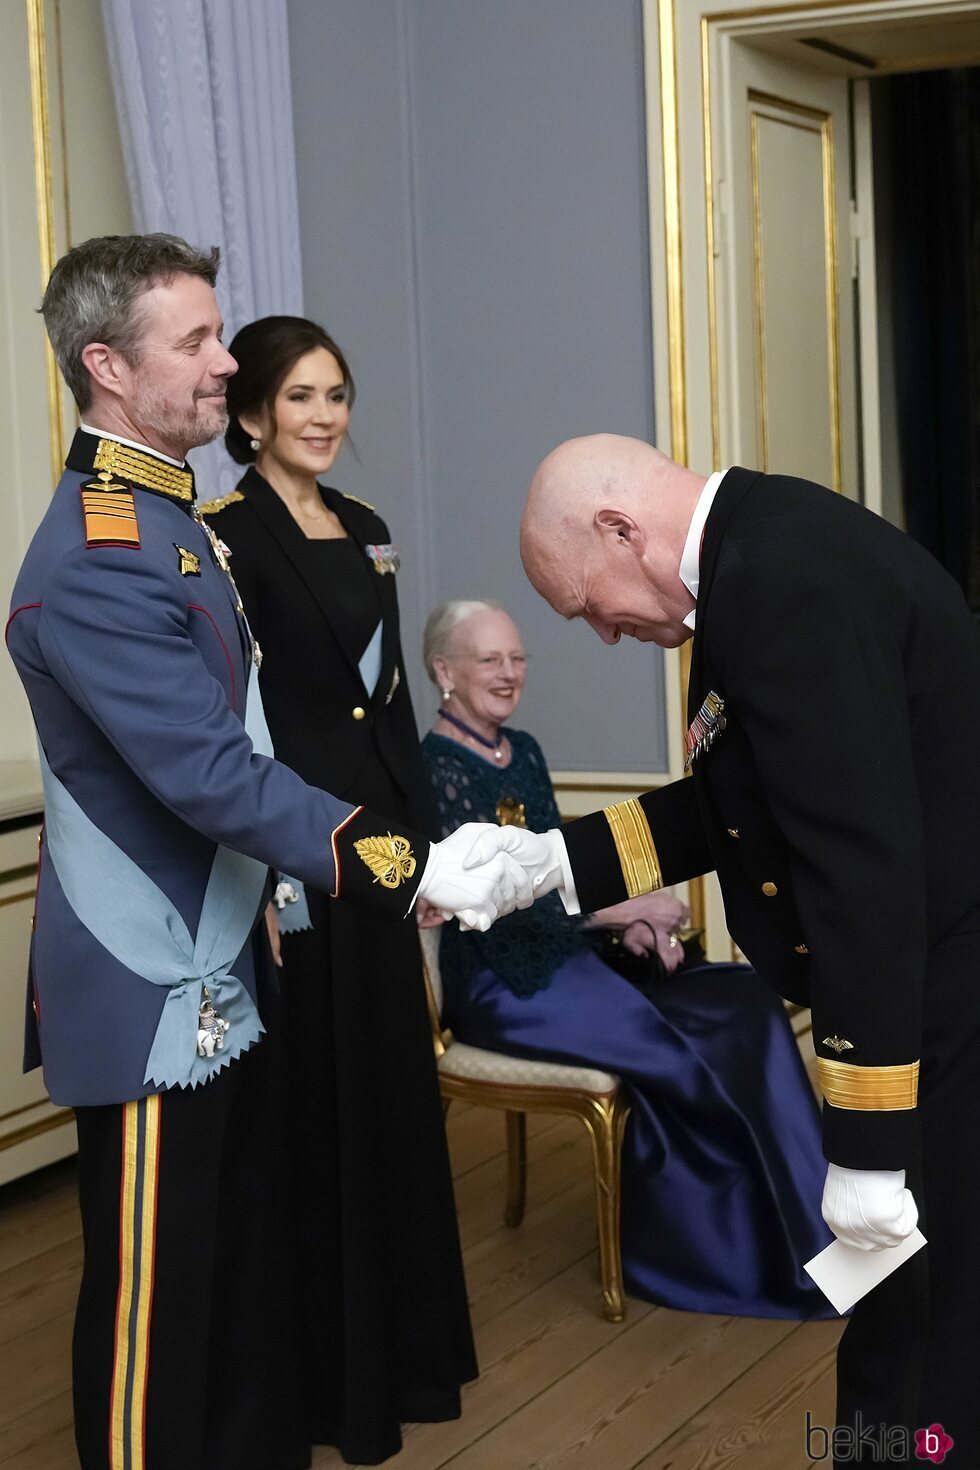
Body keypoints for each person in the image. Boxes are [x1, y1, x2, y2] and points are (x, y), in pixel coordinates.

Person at [5, 234, 531, 1470]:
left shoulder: (161, 517)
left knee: (238, 1284)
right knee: (158, 1302)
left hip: (226, 959)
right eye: (193, 340)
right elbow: (209, 773)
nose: (225, 360)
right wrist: (408, 864)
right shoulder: (103, 551)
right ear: (107, 367)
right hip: (151, 984)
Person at [469, 434, 980, 1468]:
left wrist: (869, 1151)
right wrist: (545, 863)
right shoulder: (757, 550)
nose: (602, 634)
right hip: (929, 983)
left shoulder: (775, 584)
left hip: (939, 999)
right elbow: (737, 807)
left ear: (619, 530)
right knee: (913, 1337)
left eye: (584, 605)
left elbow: (859, 877)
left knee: (924, 1346)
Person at [198, 315, 476, 1464]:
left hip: (379, 858)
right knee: (313, 1109)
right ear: (253, 413)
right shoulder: (221, 537)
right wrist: (261, 867)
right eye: (300, 397)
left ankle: (401, 1357)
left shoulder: (367, 529)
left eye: (338, 396)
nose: (325, 416)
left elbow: (394, 706)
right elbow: (227, 724)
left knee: (389, 1101)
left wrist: (427, 856)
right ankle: (324, 1384)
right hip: (293, 856)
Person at [419, 598, 836, 1318]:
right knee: (681, 1057)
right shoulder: (431, 770)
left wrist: (621, 926)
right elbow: (489, 898)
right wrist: (630, 910)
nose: (510, 672)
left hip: (571, 956)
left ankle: (823, 1230)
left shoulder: (525, 751)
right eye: (490, 659)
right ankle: (728, 1262)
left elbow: (553, 880)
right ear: (443, 671)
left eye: (518, 657)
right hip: (499, 981)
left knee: (741, 1005)